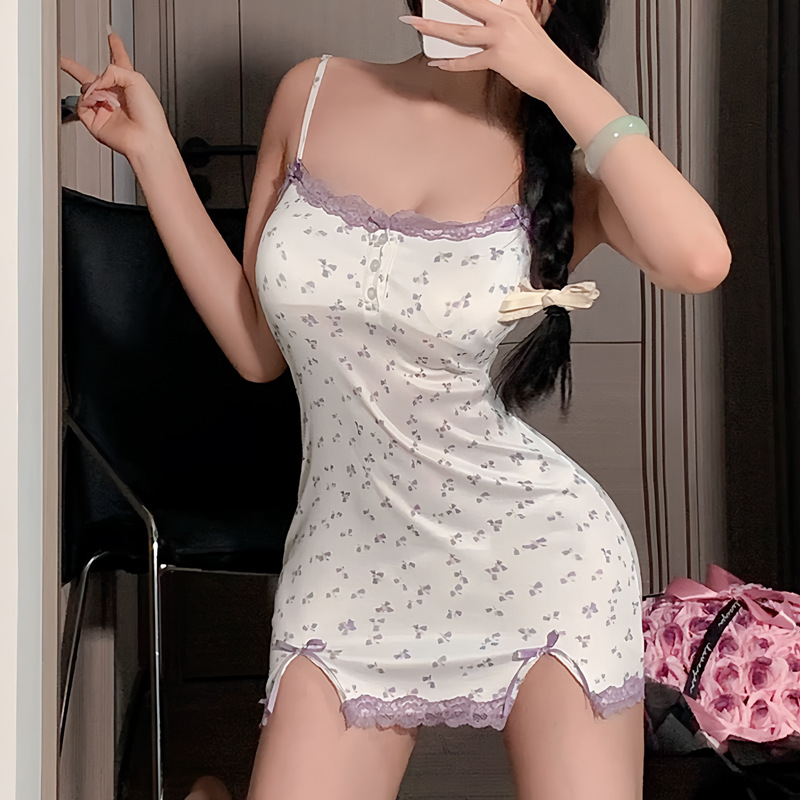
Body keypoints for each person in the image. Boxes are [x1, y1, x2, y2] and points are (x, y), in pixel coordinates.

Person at [60, 0, 731, 798]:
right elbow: (255, 348)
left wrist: (555, 76)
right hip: (347, 563)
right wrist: (152, 153)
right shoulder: (312, 92)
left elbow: (699, 260)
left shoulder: (565, 169)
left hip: (540, 563)